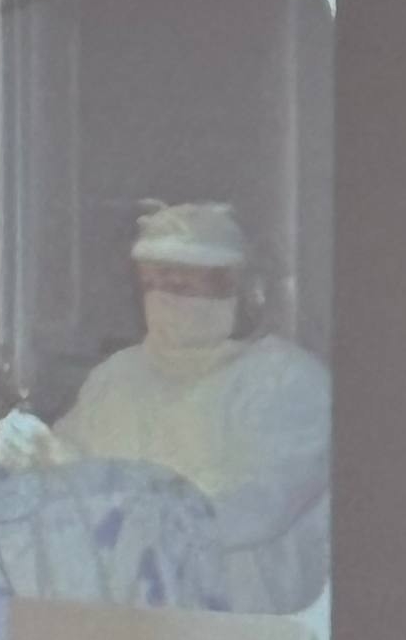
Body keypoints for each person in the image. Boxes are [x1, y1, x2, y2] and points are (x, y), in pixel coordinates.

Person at [56, 201, 329, 613]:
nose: (166, 300)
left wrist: (146, 520)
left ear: (236, 289)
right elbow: (67, 474)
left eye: (184, 287)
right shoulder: (117, 378)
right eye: (153, 285)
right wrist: (35, 462)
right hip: (121, 618)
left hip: (250, 625)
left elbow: (261, 505)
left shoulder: (286, 381)